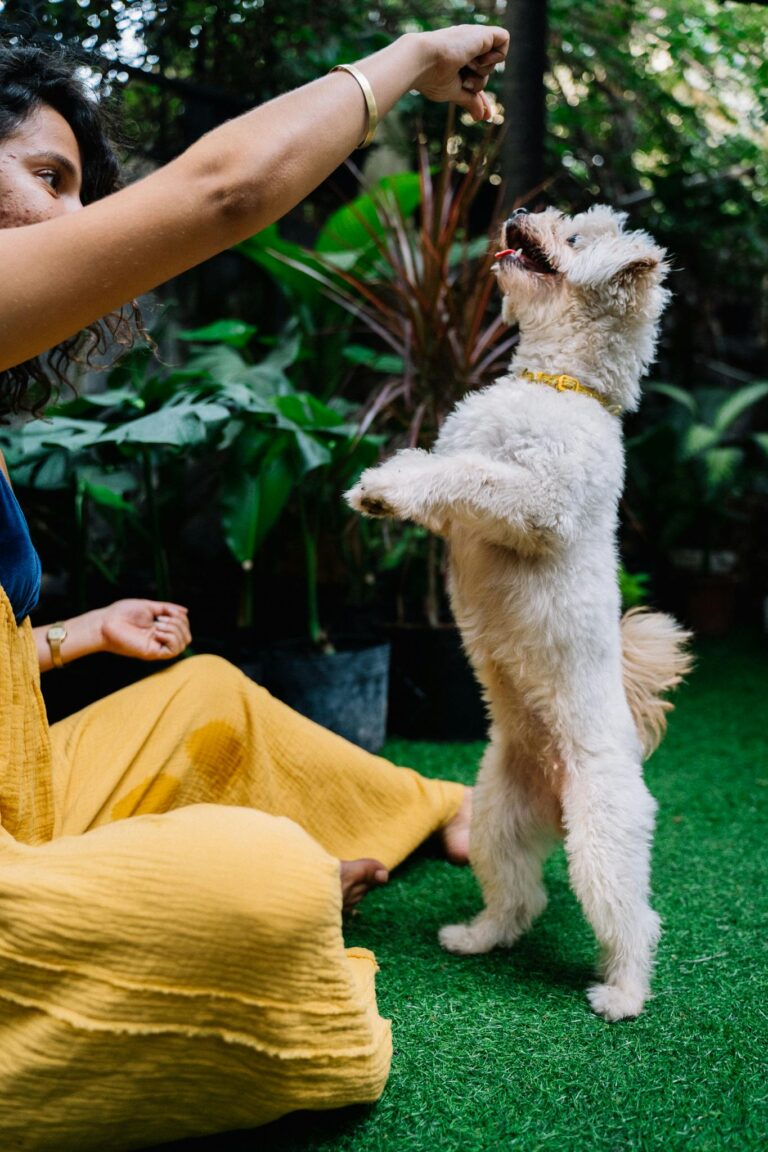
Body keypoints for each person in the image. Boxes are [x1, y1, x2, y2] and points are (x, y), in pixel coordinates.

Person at [0, 23, 507, 1151]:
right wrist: (414, 54)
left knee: (210, 694)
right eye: (47, 178)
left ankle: (446, 811)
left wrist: (79, 633)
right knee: (263, 882)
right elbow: (224, 191)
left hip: (13, 801)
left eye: (80, 189)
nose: (76, 223)